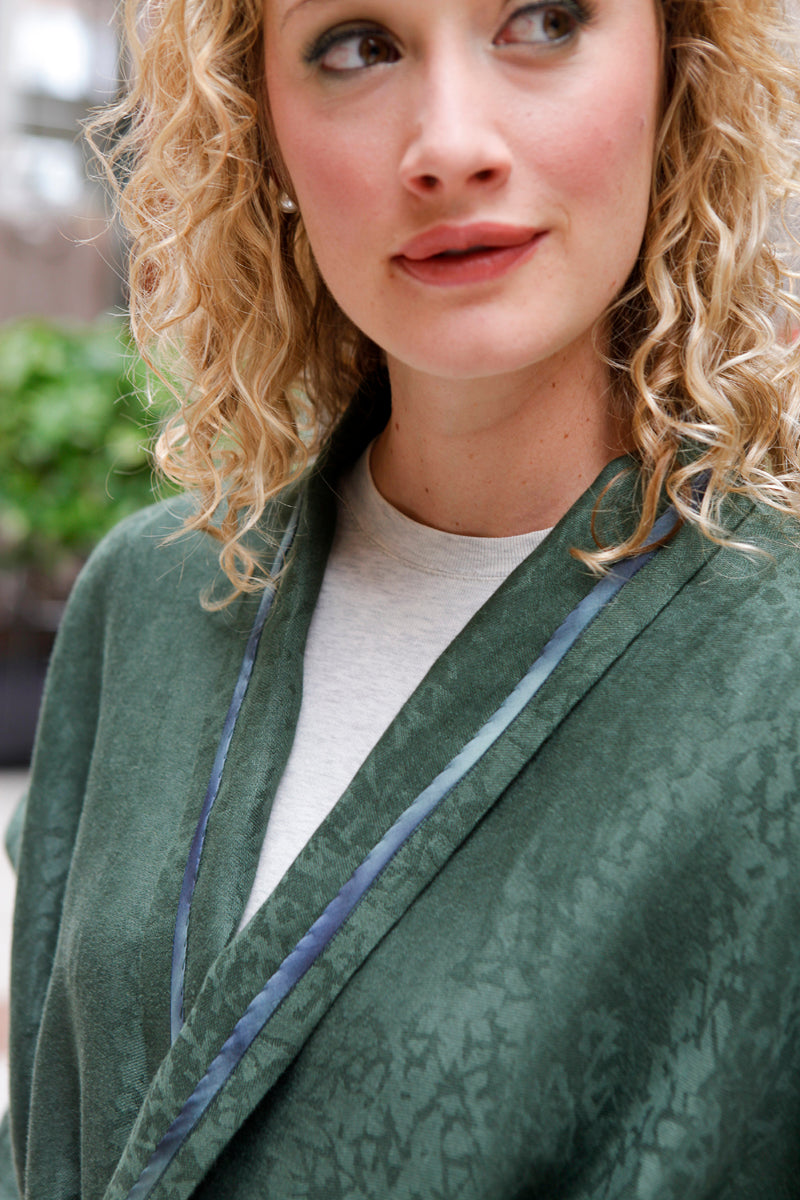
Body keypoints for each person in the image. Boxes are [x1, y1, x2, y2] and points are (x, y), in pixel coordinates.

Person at [3, 0, 800, 1196]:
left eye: (541, 20)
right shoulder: (152, 602)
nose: (448, 144)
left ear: (674, 75)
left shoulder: (772, 657)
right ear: (261, 131)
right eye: (357, 45)